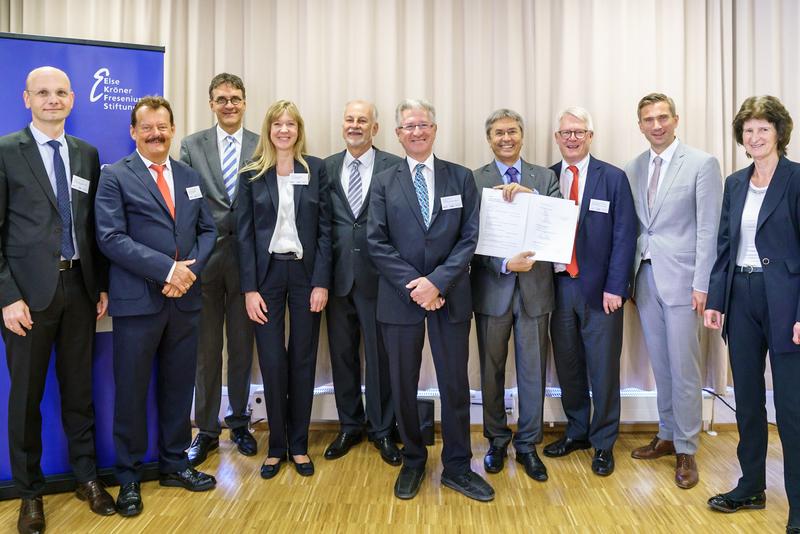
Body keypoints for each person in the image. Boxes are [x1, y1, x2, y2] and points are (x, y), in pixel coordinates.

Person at [0, 66, 114, 534]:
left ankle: (86, 477)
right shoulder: (6, 151)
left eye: (61, 92)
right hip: (27, 299)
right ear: (27, 99)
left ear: (72, 99)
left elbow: (91, 226)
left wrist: (100, 284)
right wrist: (7, 296)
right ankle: (30, 493)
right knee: (25, 398)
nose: (53, 99)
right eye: (43, 93)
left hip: (80, 291)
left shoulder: (86, 154)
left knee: (79, 390)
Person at [95, 96, 218, 517]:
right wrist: (168, 270)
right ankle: (128, 478)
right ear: (133, 132)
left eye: (163, 126)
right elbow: (111, 238)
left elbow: (208, 230)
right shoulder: (115, 176)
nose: (156, 134)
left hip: (184, 303)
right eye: (147, 127)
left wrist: (188, 274)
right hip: (138, 304)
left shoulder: (188, 174)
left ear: (173, 129)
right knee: (130, 392)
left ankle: (174, 464)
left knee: (179, 387)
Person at [367, 98, 493, 502]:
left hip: (450, 296)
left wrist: (437, 283)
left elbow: (469, 238)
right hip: (400, 298)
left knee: (455, 384)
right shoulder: (385, 181)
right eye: (408, 126)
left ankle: (458, 465)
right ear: (398, 134)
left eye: (423, 124)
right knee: (401, 383)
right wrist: (417, 285)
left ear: (434, 130)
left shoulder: (461, 178)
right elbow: (376, 241)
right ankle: (414, 459)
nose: (416, 132)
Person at [704, 95, 800, 534]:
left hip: (785, 301)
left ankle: (798, 504)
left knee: (792, 407)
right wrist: (717, 300)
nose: (755, 137)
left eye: (763, 128)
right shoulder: (735, 183)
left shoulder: (797, 180)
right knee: (746, 400)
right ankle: (752, 486)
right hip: (740, 299)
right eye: (748, 130)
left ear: (779, 132)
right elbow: (725, 245)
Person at [625, 93, 722, 489]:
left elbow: (708, 229)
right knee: (661, 365)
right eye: (648, 119)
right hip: (645, 279)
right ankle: (666, 433)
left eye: (663, 117)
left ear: (676, 120)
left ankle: (687, 447)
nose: (656, 125)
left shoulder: (702, 163)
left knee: (685, 367)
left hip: (685, 281)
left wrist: (703, 283)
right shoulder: (633, 167)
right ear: (640, 125)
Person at [236, 100, 331, 480]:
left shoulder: (316, 170)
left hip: (306, 276)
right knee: (273, 361)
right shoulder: (252, 175)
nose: (284, 130)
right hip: (266, 277)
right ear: (269, 129)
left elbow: (325, 230)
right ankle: (276, 446)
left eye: (291, 123)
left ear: (299, 129)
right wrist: (248, 289)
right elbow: (243, 237)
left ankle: (300, 445)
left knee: (303, 359)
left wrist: (322, 281)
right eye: (278, 124)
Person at [543, 107, 637, 477]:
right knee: (568, 367)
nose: (571, 138)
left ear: (590, 136)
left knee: (602, 370)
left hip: (601, 294)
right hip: (558, 288)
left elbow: (624, 235)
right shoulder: (547, 178)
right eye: (565, 132)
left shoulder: (612, 178)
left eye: (578, 132)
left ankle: (603, 443)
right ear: (556, 138)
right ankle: (577, 431)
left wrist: (617, 286)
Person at [470, 108, 560, 482]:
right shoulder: (474, 179)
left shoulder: (545, 177)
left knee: (533, 371)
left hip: (536, 292)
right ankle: (495, 440)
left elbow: (558, 223)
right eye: (498, 133)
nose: (506, 138)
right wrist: (505, 264)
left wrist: (531, 198)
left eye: (512, 131)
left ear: (522, 135)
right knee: (491, 371)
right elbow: (469, 238)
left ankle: (527, 445)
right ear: (489, 139)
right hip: (493, 289)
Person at [180, 73, 258, 466]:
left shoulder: (262, 145)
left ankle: (240, 422)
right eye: (222, 99)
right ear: (211, 103)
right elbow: (186, 204)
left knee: (242, 348)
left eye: (236, 98)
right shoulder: (192, 145)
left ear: (245, 103)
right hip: (205, 260)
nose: (229, 105)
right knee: (206, 351)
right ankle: (206, 430)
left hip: (248, 262)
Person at [323, 100, 402, 465]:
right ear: (343, 125)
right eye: (350, 119)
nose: (355, 125)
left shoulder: (394, 167)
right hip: (337, 279)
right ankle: (349, 425)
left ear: (375, 127)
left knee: (380, 357)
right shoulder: (325, 168)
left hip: (379, 279)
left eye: (363, 120)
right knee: (342, 357)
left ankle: (382, 429)